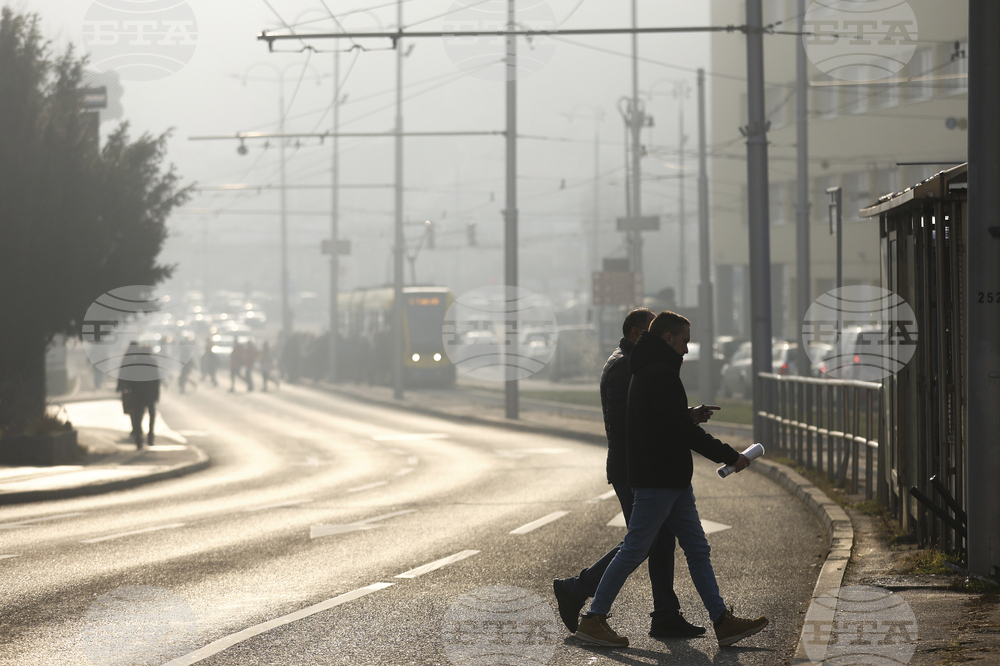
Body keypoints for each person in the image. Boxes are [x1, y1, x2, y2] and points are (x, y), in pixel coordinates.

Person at [575, 311, 768, 649]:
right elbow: (680, 430)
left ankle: (722, 621)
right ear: (668, 339)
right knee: (635, 549)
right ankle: (594, 618)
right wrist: (730, 455)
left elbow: (669, 420)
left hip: (672, 478)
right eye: (684, 342)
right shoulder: (657, 373)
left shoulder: (653, 369)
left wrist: (688, 416)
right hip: (657, 478)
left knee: (697, 548)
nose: (687, 350)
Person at [554, 308, 719, 639]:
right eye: (648, 332)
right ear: (634, 334)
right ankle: (579, 590)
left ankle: (666, 614)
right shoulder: (623, 367)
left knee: (658, 541)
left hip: (644, 465)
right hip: (634, 468)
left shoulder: (639, 364)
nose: (653, 338)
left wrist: (683, 415)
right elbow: (630, 421)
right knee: (641, 543)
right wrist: (680, 422)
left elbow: (653, 414)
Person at [117, 342, 160, 448]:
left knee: (146, 416)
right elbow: (156, 380)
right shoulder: (146, 363)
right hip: (141, 394)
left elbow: (156, 380)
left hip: (144, 394)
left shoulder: (141, 363)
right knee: (139, 417)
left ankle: (147, 437)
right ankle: (141, 439)